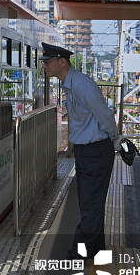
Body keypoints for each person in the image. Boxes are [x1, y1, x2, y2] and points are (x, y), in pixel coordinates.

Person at [40, 43, 123, 260]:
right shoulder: (70, 84)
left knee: (90, 202)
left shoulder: (82, 85)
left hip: (96, 150)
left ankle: (83, 252)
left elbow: (104, 115)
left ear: (62, 62)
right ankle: (95, 250)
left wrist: (116, 140)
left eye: (48, 62)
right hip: (87, 151)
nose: (45, 66)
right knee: (90, 201)